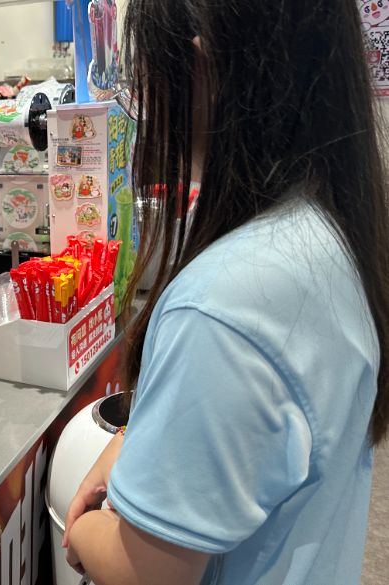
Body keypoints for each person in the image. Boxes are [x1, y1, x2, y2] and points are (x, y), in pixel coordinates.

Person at [63, 1, 389, 584]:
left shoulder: (224, 302)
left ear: (201, 66)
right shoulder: (327, 231)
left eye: (143, 73)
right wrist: (136, 439)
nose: (142, 101)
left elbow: (146, 573)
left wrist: (82, 527)